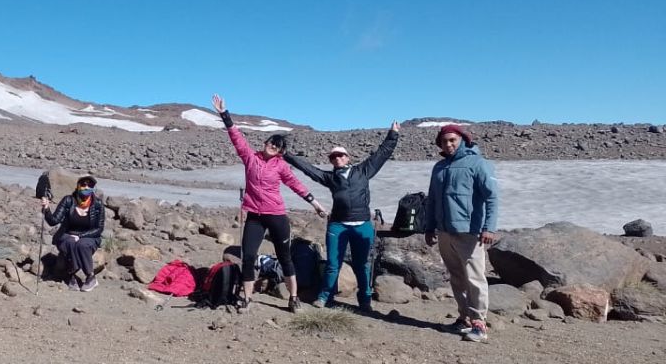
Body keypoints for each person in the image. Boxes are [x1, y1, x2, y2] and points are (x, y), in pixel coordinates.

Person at [212, 94, 326, 312]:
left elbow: (295, 184)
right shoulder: (250, 157)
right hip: (255, 216)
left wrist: (314, 203)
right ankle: (247, 298)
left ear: (281, 151)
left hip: (276, 216)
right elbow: (236, 138)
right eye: (272, 142)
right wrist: (224, 114)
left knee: (285, 258)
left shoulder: (280, 166)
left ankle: (293, 298)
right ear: (265, 143)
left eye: (278, 146)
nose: (273, 146)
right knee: (248, 257)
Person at [284, 121, 400, 312]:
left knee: (362, 265)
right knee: (333, 264)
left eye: (340, 155)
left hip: (362, 225)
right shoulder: (330, 178)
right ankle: (324, 297)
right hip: (338, 225)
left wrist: (393, 134)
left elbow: (382, 153)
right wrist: (286, 155)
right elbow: (308, 169)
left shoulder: (363, 171)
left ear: (347, 157)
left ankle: (365, 300)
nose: (337, 158)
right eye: (333, 157)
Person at [422, 124, 498, 342]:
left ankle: (479, 323)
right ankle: (464, 318)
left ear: (462, 140)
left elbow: (492, 197)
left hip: (469, 231)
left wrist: (489, 227)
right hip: (445, 231)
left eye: (452, 140)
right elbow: (432, 199)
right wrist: (429, 227)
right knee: (456, 277)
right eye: (444, 141)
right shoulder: (439, 167)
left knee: (474, 277)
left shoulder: (477, 163)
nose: (448, 144)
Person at [41, 175, 105, 292]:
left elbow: (99, 229)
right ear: (78, 186)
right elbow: (53, 221)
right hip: (67, 234)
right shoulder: (68, 200)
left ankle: (91, 277)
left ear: (93, 187)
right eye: (83, 184)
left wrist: (80, 236)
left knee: (82, 245)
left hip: (89, 235)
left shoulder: (98, 204)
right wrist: (46, 209)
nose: (86, 187)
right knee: (70, 243)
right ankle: (72, 275)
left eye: (90, 185)